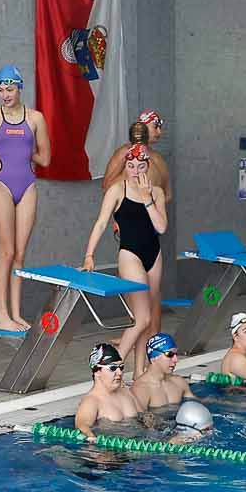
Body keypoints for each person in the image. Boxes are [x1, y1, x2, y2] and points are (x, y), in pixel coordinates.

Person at [0, 65, 52, 334]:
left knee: (19, 254)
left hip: (27, 185)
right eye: (0, 90)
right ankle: (2, 315)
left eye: (10, 89)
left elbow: (46, 159)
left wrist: (25, 152)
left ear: (20, 87)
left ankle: (16, 314)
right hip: (1, 184)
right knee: (5, 252)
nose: (4, 94)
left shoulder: (36, 118)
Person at [82, 141, 167, 374]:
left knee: (147, 320)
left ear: (147, 167)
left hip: (154, 254)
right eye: (131, 166)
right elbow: (100, 223)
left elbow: (161, 227)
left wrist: (147, 197)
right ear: (125, 166)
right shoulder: (117, 190)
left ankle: (139, 372)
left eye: (140, 166)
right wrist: (89, 255)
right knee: (142, 319)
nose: (135, 171)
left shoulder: (156, 193)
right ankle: (111, 367)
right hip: (130, 255)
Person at [73, 343, 145, 438]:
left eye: (121, 367)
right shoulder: (91, 401)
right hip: (112, 451)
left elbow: (145, 415)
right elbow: (82, 427)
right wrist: (92, 438)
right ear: (97, 371)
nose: (119, 372)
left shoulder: (126, 391)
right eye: (113, 368)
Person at [130, 333, 193, 409]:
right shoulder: (141, 389)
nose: (176, 360)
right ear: (153, 358)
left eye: (176, 354)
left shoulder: (179, 382)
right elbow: (138, 419)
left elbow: (196, 403)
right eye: (170, 354)